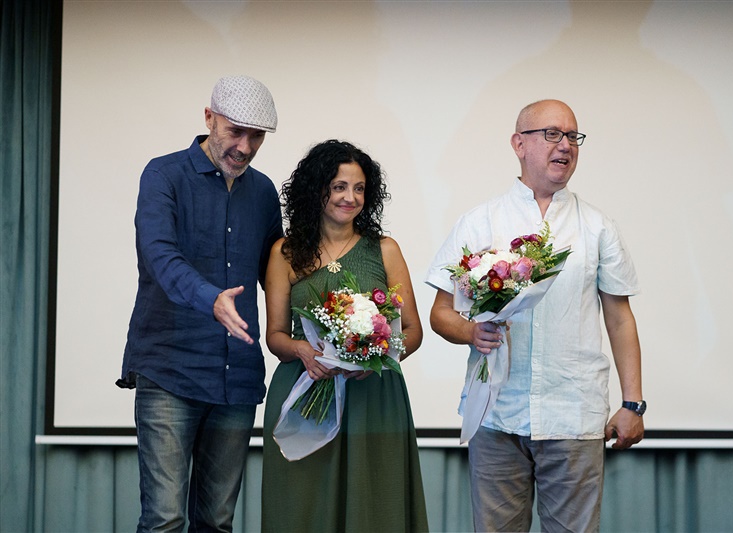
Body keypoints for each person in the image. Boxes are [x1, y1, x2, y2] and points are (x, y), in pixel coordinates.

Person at [426, 99, 645, 532]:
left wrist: (632, 403)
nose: (565, 145)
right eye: (552, 134)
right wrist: (471, 332)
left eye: (572, 136)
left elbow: (619, 318)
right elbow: (440, 314)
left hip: (573, 415)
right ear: (518, 144)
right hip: (496, 414)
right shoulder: (479, 222)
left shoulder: (597, 226)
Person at [117, 75, 283, 532]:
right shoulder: (163, 175)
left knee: (217, 522)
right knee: (165, 520)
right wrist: (212, 299)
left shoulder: (264, 193)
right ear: (209, 117)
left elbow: (277, 274)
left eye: (257, 136)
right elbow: (160, 257)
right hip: (170, 371)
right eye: (235, 132)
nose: (245, 147)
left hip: (237, 378)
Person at [261, 139, 428, 532]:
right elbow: (275, 336)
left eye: (359, 189)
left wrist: (378, 355)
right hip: (306, 392)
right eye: (339, 187)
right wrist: (302, 350)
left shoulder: (385, 249)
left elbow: (413, 330)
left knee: (376, 508)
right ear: (316, 189)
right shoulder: (285, 252)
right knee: (303, 508)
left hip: (375, 396)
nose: (350, 198)